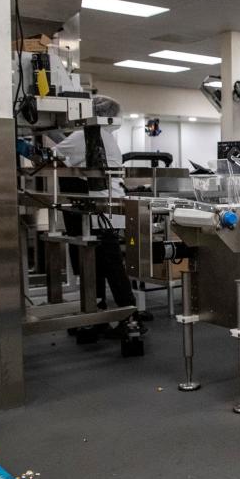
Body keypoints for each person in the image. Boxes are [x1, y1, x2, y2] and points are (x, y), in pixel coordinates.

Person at [53, 125, 139, 336]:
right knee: (99, 260)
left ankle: (126, 316)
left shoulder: (84, 135)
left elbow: (54, 156)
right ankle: (101, 313)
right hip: (108, 205)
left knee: (104, 260)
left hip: (97, 206)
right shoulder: (104, 136)